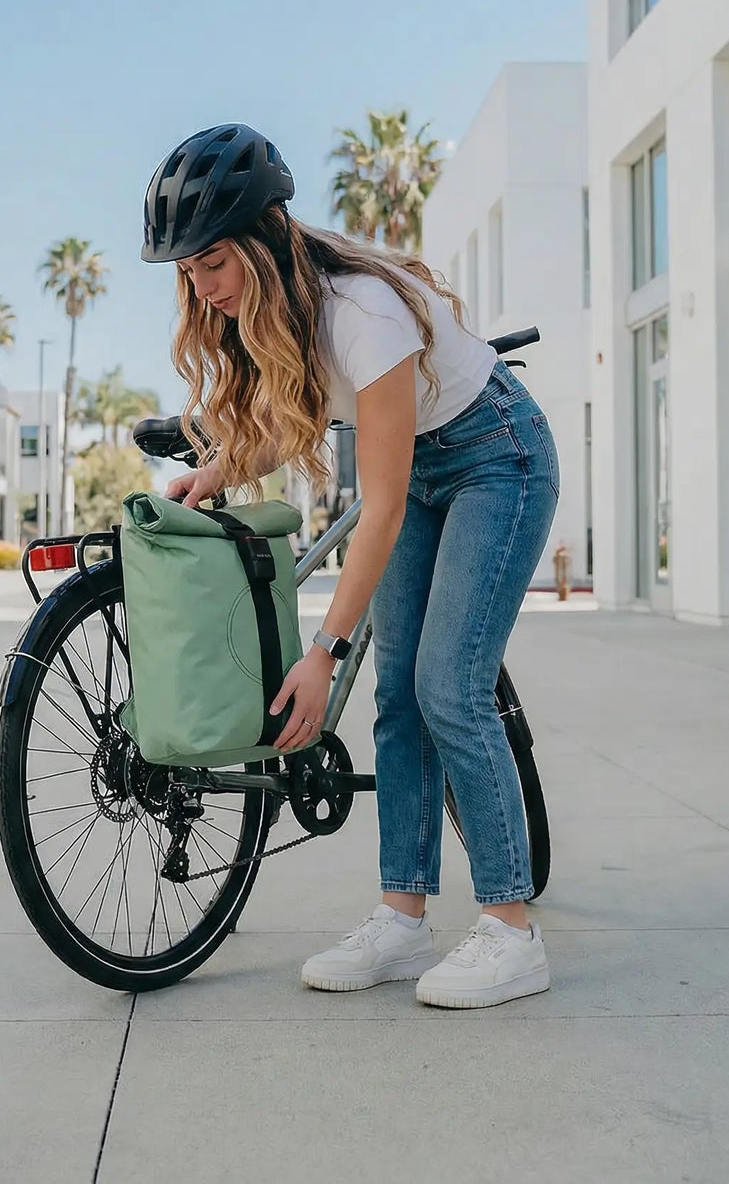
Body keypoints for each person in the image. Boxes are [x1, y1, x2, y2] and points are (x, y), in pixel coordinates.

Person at [142, 123, 559, 1010]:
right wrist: (214, 472)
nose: (201, 285)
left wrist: (322, 649)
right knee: (398, 694)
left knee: (448, 683)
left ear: (261, 240)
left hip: (496, 458)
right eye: (187, 270)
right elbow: (288, 422)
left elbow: (381, 503)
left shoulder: (360, 312)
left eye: (211, 261)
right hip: (423, 464)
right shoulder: (273, 312)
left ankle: (511, 931)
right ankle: (402, 919)